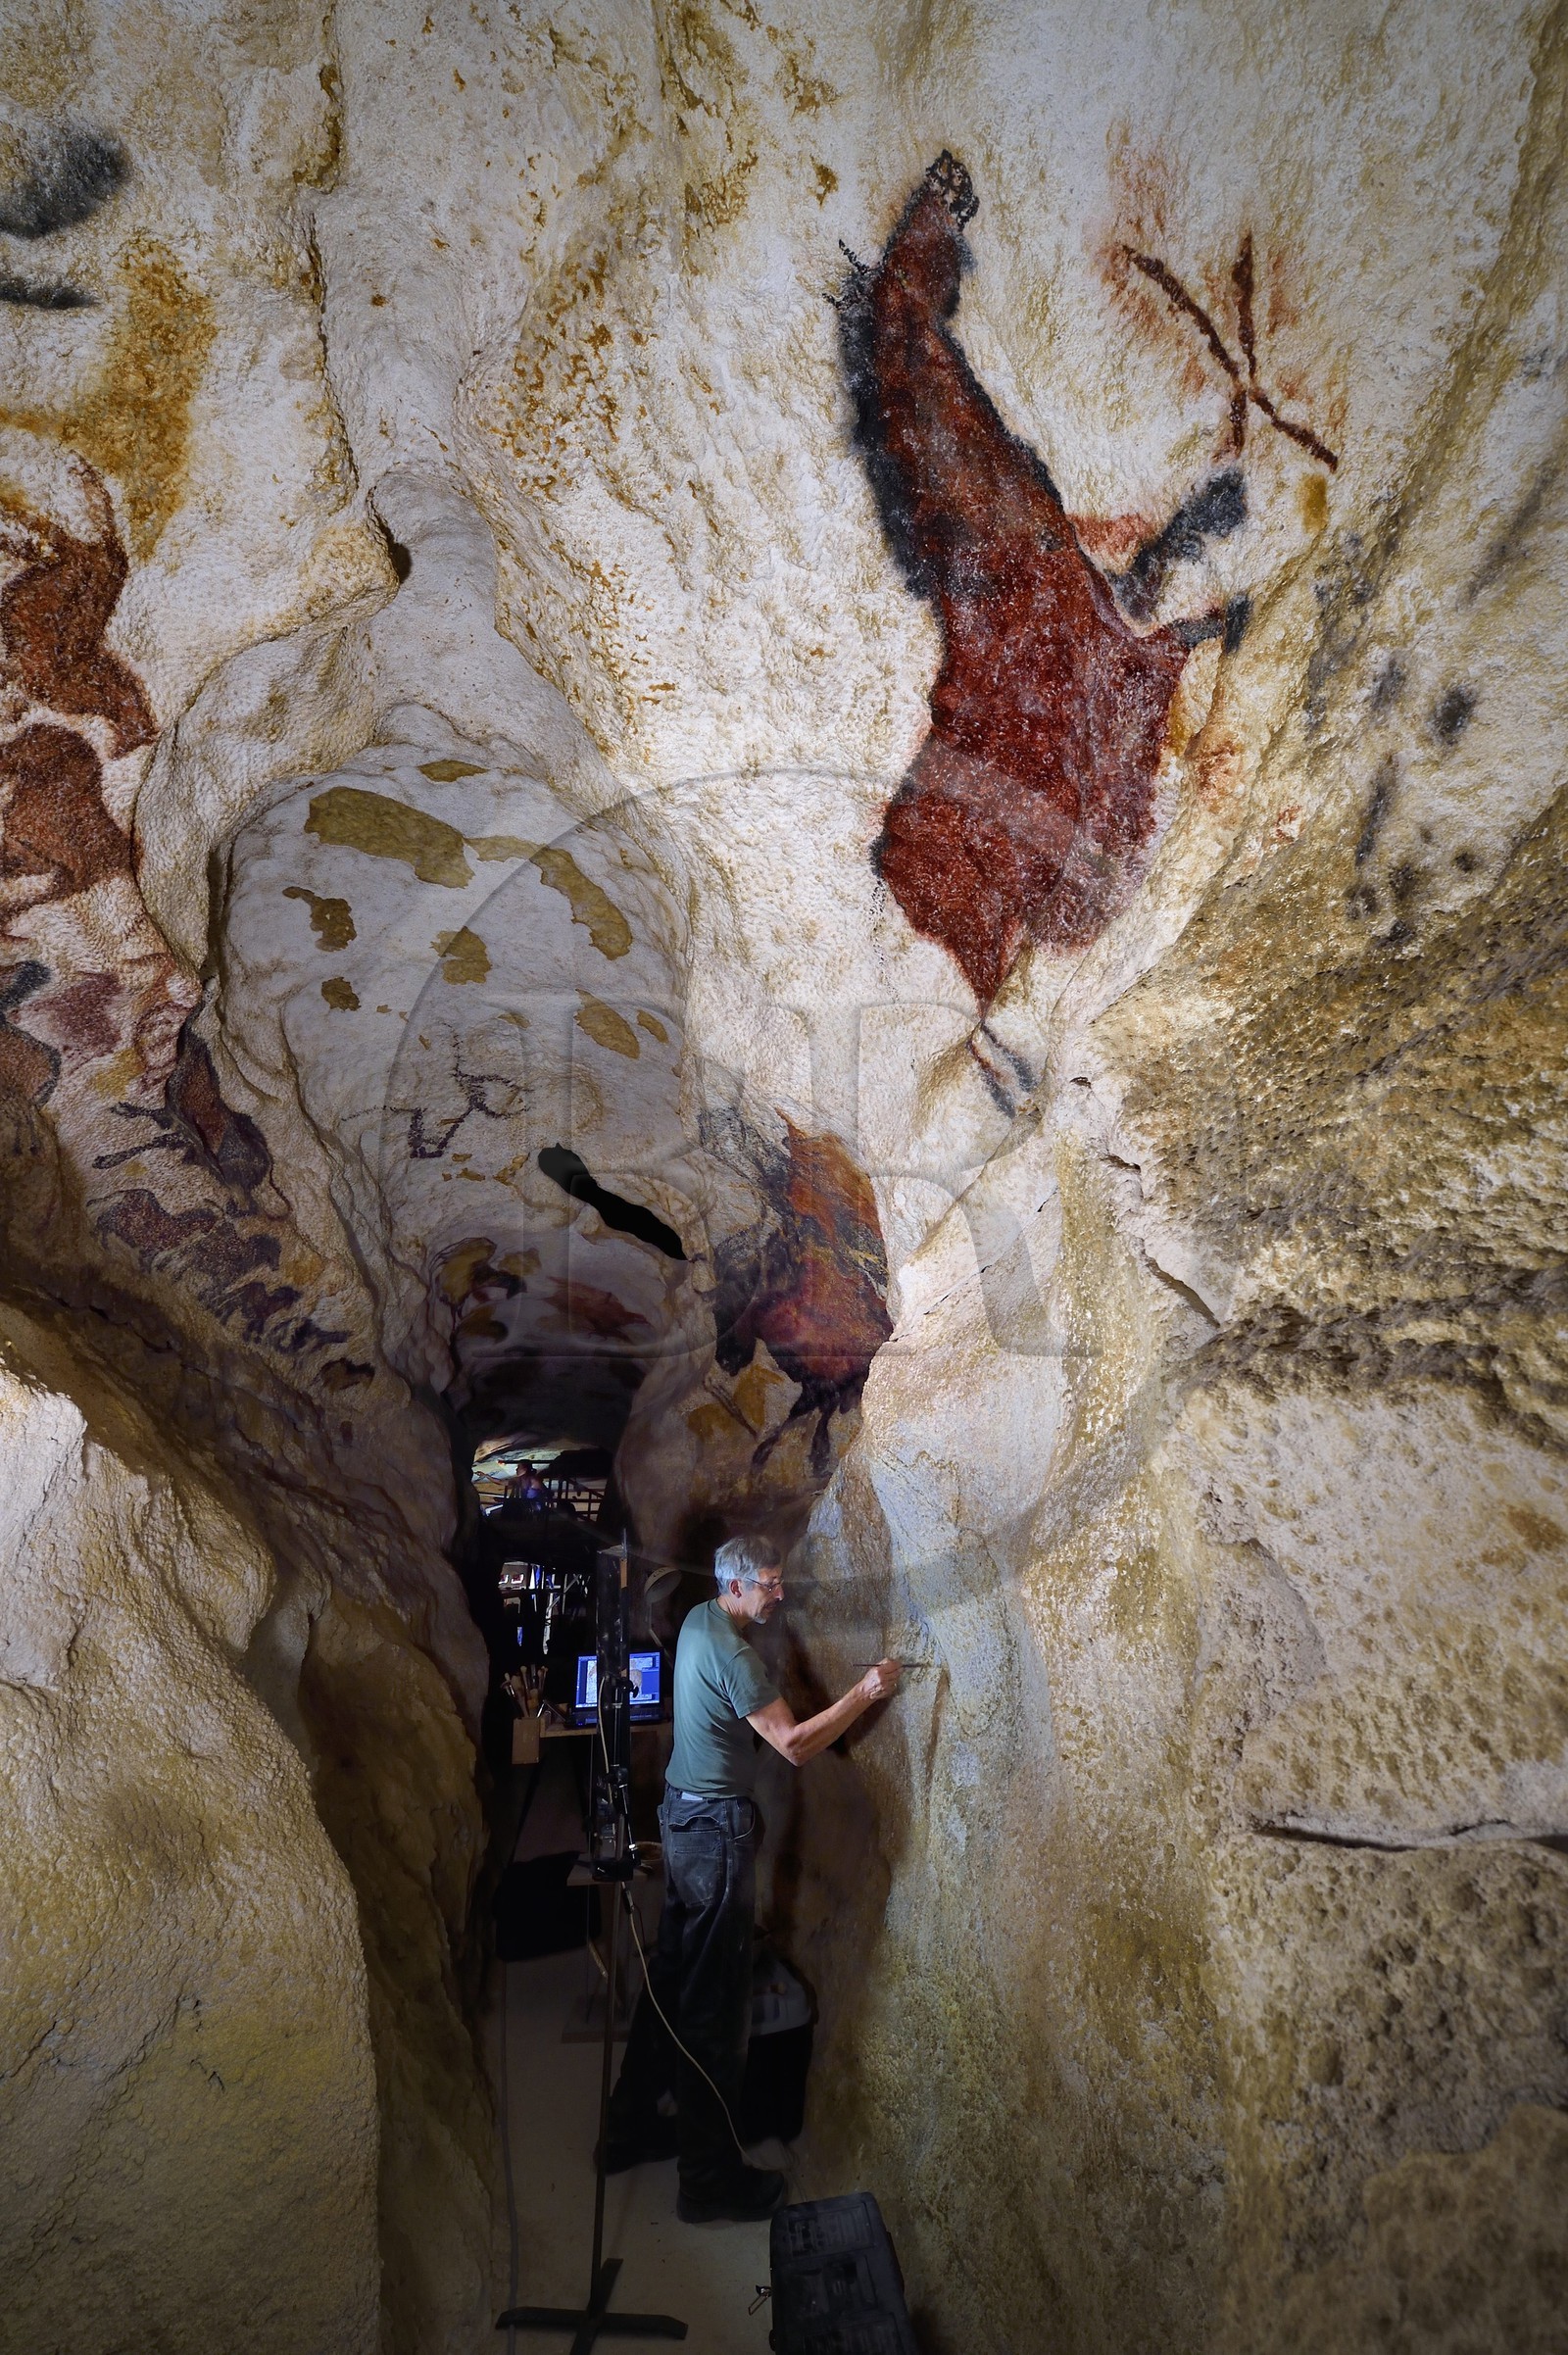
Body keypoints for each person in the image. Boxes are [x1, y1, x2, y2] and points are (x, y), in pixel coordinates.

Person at [605, 1534, 903, 2223]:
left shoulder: (702, 1620)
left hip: (683, 1818)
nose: (779, 1592)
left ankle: (627, 2128)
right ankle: (707, 2182)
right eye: (768, 1583)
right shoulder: (734, 1655)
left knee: (674, 1975)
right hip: (712, 1833)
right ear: (733, 1584)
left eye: (779, 1580)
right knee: (715, 2012)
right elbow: (794, 1745)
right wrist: (866, 1690)